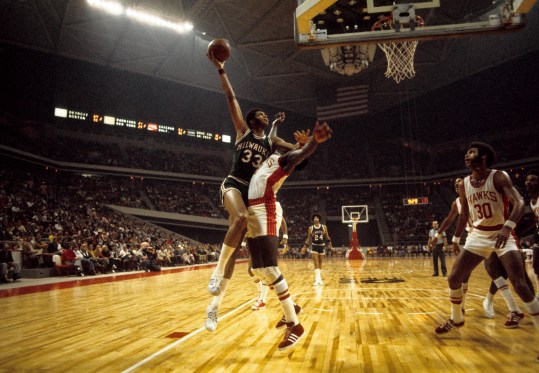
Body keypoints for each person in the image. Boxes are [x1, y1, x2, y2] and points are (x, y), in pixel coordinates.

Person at [204, 48, 297, 332]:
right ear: (252, 119)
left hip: (253, 197)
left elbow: (294, 152)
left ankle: (213, 309)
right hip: (233, 184)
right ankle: (216, 272)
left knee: (244, 257)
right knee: (241, 219)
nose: (265, 114)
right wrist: (221, 69)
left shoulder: (271, 141)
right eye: (262, 114)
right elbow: (231, 99)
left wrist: (307, 145)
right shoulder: (243, 132)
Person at [434, 142, 539, 362]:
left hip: (502, 233)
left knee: (520, 284)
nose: (466, 155)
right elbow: (463, 215)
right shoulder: (464, 183)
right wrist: (455, 238)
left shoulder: (499, 177)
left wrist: (508, 226)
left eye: (471, 152)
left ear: (483, 157)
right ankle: (457, 318)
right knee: (454, 278)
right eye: (466, 152)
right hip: (478, 235)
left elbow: (519, 203)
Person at [246, 120, 332, 350]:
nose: (285, 144)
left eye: (290, 146)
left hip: (265, 209)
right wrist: (274, 124)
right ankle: (291, 307)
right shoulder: (272, 155)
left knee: (271, 268)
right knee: (256, 269)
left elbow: (301, 153)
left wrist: (314, 141)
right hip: (252, 210)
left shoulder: (285, 161)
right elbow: (273, 138)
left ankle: (295, 326)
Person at [435, 178, 526, 325]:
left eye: (461, 183)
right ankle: (463, 309)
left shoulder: (479, 193)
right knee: (470, 275)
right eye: (456, 185)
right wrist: (445, 237)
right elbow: (450, 219)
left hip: (490, 235)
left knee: (505, 275)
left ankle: (516, 308)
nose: (459, 186)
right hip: (475, 238)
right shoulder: (457, 203)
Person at [247, 216, 288, 311]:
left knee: (265, 270)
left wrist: (285, 237)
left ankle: (262, 300)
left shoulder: (270, 205)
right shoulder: (251, 208)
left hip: (267, 238)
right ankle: (262, 292)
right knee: (252, 270)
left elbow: (282, 220)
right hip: (254, 239)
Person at [301, 213, 333, 286]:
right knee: (316, 262)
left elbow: (327, 236)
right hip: (314, 246)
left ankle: (318, 278)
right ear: (313, 220)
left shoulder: (324, 227)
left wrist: (330, 244)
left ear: (319, 219)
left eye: (317, 218)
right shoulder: (311, 228)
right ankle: (318, 280)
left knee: (320, 263)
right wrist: (304, 247)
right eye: (314, 218)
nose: (316, 219)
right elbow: (308, 238)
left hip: (322, 246)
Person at [524, 170, 539, 298]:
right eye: (527, 180)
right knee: (535, 265)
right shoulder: (531, 202)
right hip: (538, 234)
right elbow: (535, 220)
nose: (528, 182)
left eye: (532, 180)